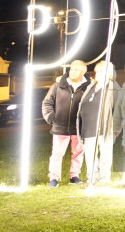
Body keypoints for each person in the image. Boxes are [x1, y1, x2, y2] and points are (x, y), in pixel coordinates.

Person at [41, 59, 91, 188]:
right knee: (57, 153)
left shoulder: (88, 87)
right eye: (72, 69)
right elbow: (47, 102)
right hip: (60, 127)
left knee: (78, 153)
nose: (72, 71)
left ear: (83, 72)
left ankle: (74, 176)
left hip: (79, 128)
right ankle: (54, 178)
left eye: (76, 69)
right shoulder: (58, 86)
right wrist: (51, 117)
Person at [77, 60, 120, 187]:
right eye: (97, 71)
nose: (98, 73)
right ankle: (92, 178)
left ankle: (104, 179)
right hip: (88, 127)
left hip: (105, 128)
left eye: (102, 71)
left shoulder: (113, 87)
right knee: (90, 155)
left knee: (105, 153)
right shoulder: (90, 86)